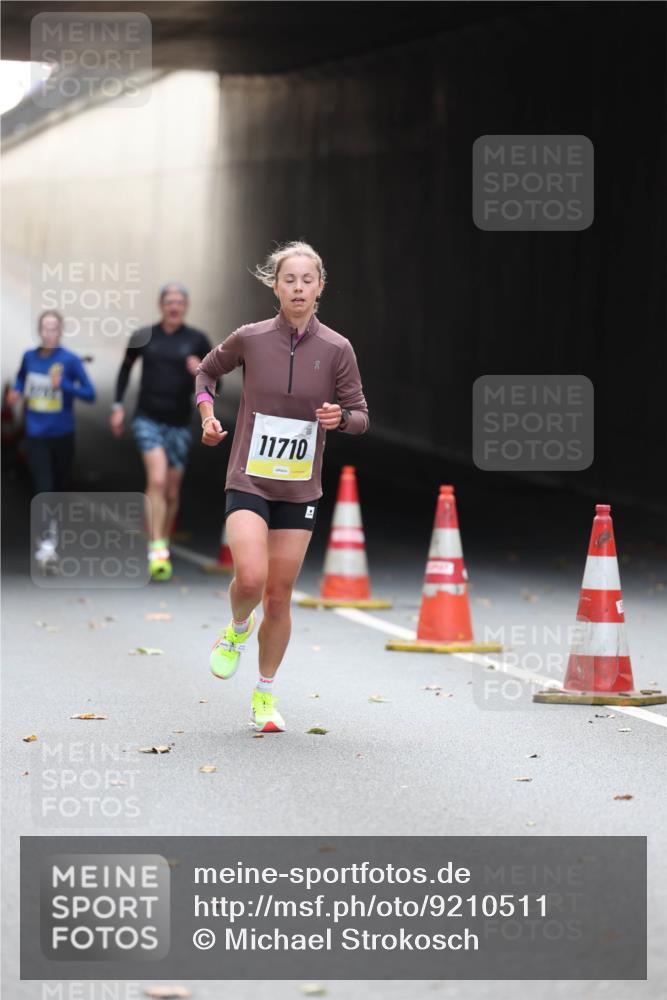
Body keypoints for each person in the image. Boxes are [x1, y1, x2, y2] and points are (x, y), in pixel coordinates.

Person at [195, 241, 369, 733]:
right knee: (250, 579)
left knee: (278, 596)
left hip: (299, 489)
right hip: (248, 478)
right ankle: (235, 631)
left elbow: (361, 416)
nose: (298, 288)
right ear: (275, 286)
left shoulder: (337, 349)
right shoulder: (250, 338)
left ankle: (265, 694)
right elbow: (207, 372)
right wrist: (208, 417)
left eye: (307, 280)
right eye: (288, 280)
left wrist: (341, 418)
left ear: (320, 287)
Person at [110, 283, 213, 581]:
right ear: (160, 304)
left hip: (179, 423)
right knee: (155, 478)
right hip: (147, 418)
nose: (174, 306)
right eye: (169, 301)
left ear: (186, 306)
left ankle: (162, 543)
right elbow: (125, 370)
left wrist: (201, 371)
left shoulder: (197, 340)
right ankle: (156, 547)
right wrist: (117, 405)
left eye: (179, 301)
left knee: (171, 489)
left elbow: (216, 383)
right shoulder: (144, 336)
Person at [8, 309, 95, 501]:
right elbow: (21, 378)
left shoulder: (70, 360)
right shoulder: (29, 357)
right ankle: (48, 529)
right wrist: (16, 390)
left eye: (54, 329)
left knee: (60, 483)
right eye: (45, 329)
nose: (49, 333)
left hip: (62, 433)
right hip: (36, 433)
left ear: (61, 331)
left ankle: (55, 518)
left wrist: (64, 385)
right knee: (44, 486)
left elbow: (90, 394)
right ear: (39, 331)